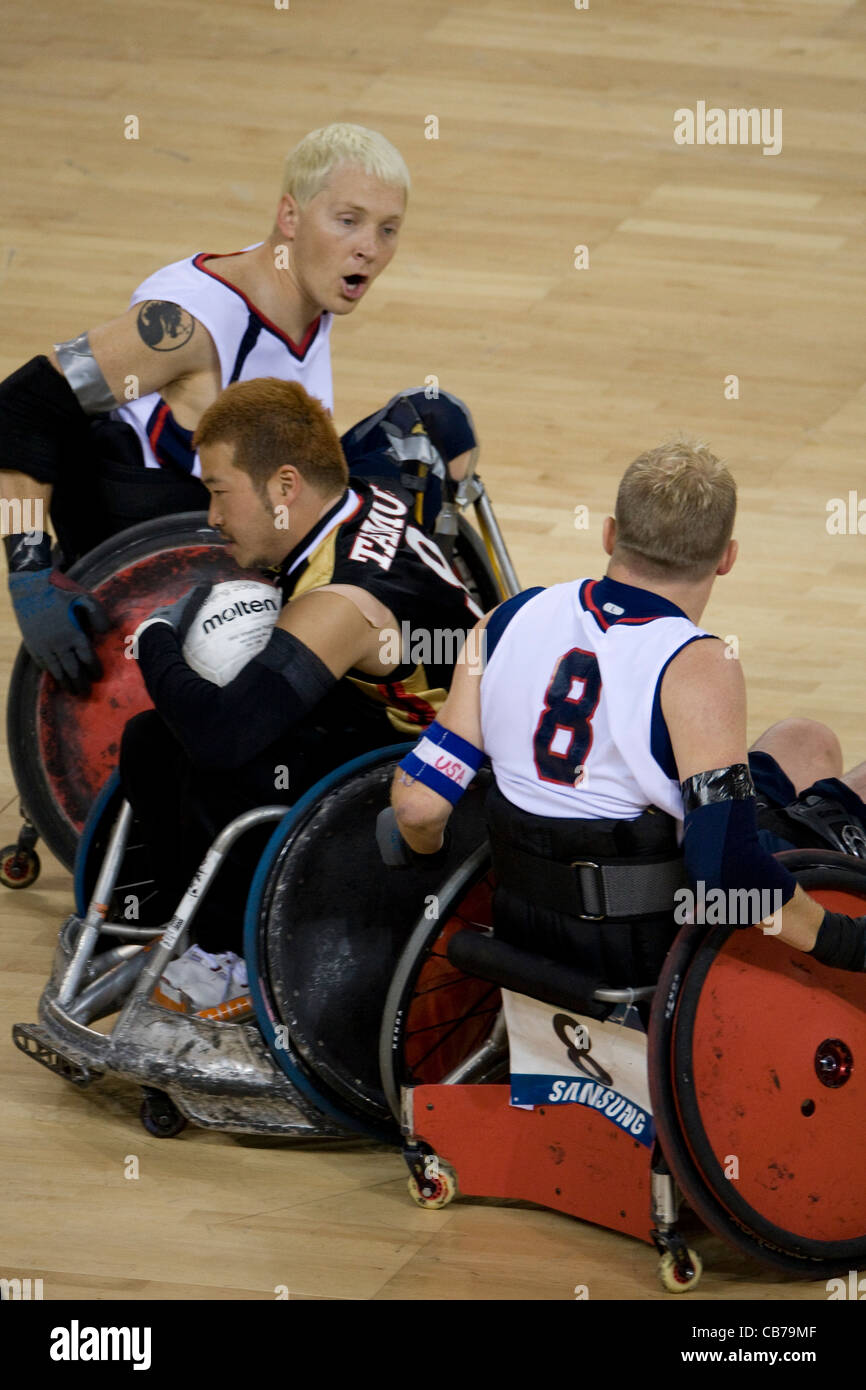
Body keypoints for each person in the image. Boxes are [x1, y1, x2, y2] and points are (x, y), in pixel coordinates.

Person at [0, 122, 476, 694]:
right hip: (178, 541)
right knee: (404, 484)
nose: (369, 249)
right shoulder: (188, 323)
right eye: (348, 221)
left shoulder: (307, 289)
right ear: (290, 218)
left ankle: (463, 656)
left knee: (435, 421)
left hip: (259, 519)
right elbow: (23, 405)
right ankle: (431, 683)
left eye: (387, 229)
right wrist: (28, 575)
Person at [382, 439, 866, 981]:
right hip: (651, 937)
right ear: (727, 557)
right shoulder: (698, 665)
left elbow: (418, 806)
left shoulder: (509, 618)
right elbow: (723, 866)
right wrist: (841, 940)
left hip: (523, 923)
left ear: (610, 533)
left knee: (806, 739)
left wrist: (428, 859)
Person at [121, 377, 482, 1012]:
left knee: (221, 759)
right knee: (153, 738)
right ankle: (187, 919)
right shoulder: (358, 493)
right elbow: (432, 416)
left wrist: (154, 636)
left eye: (218, 492)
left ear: (286, 487)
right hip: (397, 720)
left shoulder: (341, 602)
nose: (211, 517)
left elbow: (221, 737)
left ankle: (232, 958)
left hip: (446, 785)